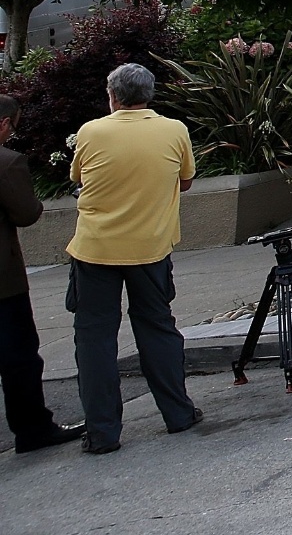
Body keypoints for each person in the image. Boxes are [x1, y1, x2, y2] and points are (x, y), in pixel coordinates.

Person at [65, 63, 201, 453]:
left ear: (112, 96)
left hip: (96, 249)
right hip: (151, 247)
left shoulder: (91, 132)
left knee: (94, 339)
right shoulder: (175, 130)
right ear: (150, 94)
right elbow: (186, 181)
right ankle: (178, 414)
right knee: (158, 328)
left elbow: (79, 178)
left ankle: (103, 432)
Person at [0, 95, 84, 454]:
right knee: (18, 356)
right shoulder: (7, 162)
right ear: (4, 124)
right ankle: (33, 429)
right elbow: (26, 212)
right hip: (3, 283)